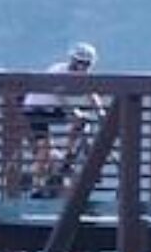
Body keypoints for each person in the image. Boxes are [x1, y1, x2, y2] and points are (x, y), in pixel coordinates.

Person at [19, 41, 101, 194]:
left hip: (52, 109)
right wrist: (73, 110)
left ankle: (67, 159)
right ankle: (34, 184)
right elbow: (58, 93)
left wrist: (100, 110)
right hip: (36, 108)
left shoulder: (83, 76)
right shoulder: (59, 70)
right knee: (44, 148)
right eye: (79, 63)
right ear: (72, 61)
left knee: (79, 122)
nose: (82, 67)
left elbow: (92, 93)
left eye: (86, 64)